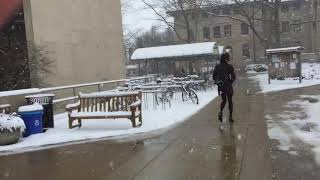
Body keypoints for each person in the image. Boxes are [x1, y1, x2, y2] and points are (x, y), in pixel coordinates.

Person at [212, 52, 236, 123]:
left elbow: (214, 76)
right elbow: (233, 76)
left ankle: (221, 111)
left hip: (221, 86)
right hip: (228, 86)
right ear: (226, 59)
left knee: (224, 100)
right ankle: (230, 116)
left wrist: (219, 82)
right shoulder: (229, 67)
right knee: (230, 101)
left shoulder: (217, 66)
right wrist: (230, 82)